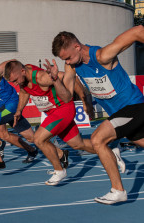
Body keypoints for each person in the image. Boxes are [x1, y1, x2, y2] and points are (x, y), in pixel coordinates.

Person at [50, 25, 144, 204]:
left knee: (97, 139)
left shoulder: (102, 56)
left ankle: (118, 190)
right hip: (120, 115)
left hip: (134, 106)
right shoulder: (72, 67)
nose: (67, 63)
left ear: (77, 47)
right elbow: (67, 96)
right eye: (64, 60)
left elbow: (138, 30)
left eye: (68, 57)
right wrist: (56, 80)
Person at [4, 60, 105, 185]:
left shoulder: (41, 77)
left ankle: (59, 170)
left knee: (39, 139)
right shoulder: (23, 78)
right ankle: (110, 154)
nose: (15, 84)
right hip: (53, 112)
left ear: (23, 71)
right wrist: (19, 110)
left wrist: (85, 100)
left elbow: (71, 77)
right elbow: (24, 92)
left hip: (64, 109)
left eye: (15, 80)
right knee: (77, 144)